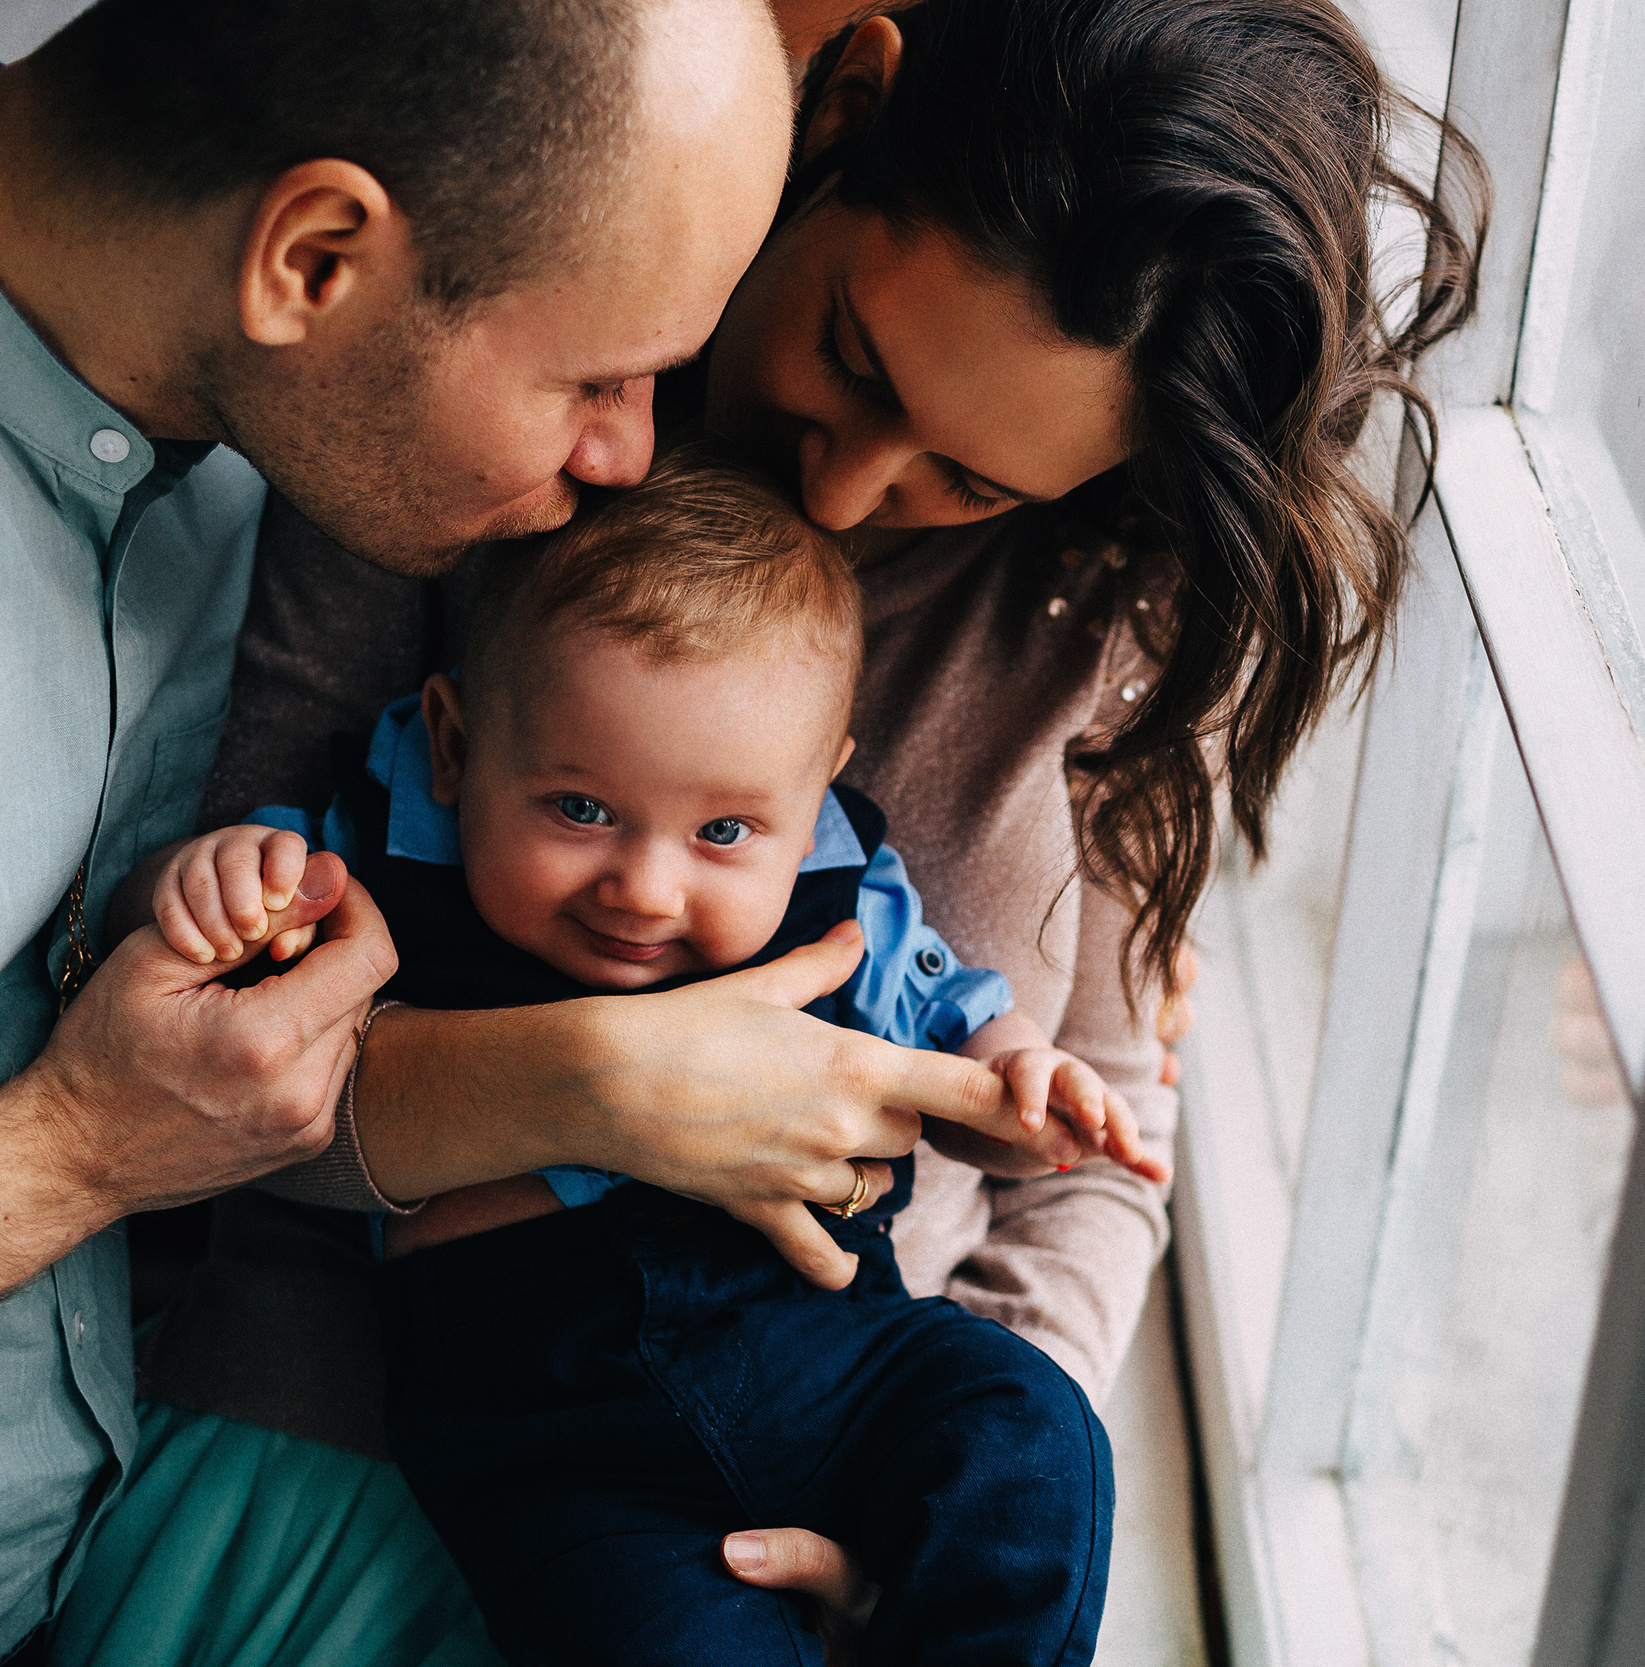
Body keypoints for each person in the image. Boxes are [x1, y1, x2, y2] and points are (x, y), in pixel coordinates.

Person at [116, 0, 1484, 1651]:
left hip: (850, 1429)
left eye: (974, 482)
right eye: (853, 356)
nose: (839, 496)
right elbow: (184, 1046)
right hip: (358, 1437)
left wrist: (933, 1531)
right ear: (847, 109)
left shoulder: (1103, 611)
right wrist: (599, 1082)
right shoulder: (494, 382)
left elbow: (1098, 1145)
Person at [0, 0, 874, 1661]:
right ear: (314, 259)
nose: (629, 454)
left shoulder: (241, 431)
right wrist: (81, 1145)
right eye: (597, 378)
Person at [150, 451, 1161, 1664]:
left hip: (828, 1358)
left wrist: (1023, 1079)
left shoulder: (845, 890)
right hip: (548, 1432)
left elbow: (960, 1027)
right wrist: (231, 874)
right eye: (580, 809)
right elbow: (242, 963)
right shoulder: (388, 835)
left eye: (724, 830)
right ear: (455, 742)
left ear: (817, 794)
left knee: (1032, 1428)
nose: (645, 887)